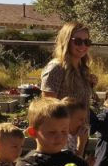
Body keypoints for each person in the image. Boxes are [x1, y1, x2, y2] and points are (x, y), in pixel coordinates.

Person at [41, 22, 98, 158]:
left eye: (87, 42)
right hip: (62, 138)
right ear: (66, 41)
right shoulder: (56, 68)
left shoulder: (82, 69)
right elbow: (47, 108)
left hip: (79, 136)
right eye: (77, 41)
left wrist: (89, 85)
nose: (83, 46)